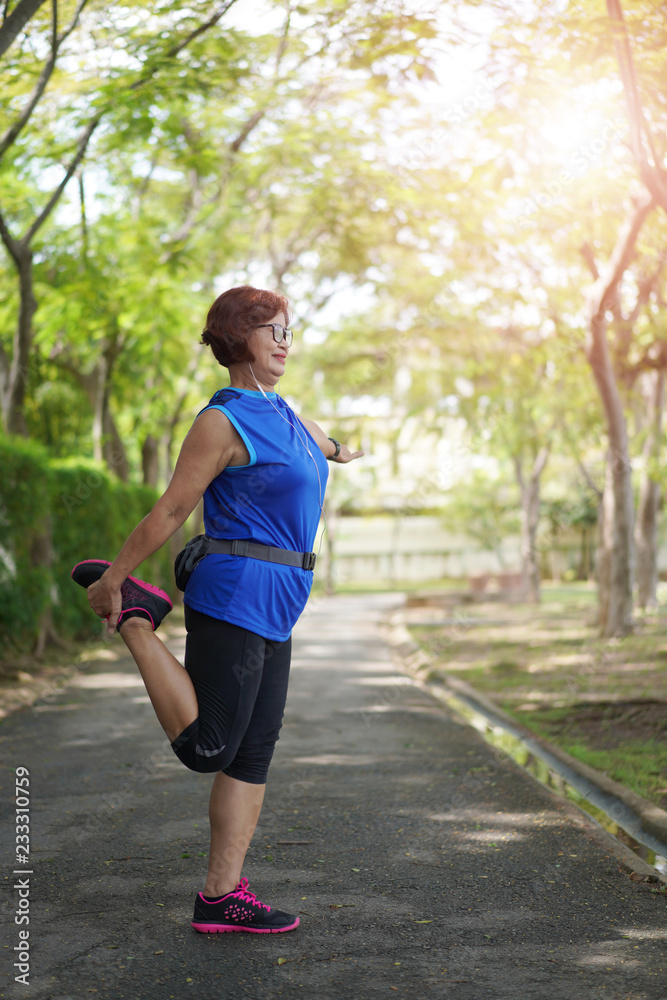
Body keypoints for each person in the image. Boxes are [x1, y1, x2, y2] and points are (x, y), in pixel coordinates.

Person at [71, 285, 363, 934]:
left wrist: (345, 449)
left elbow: (328, 445)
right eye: (270, 330)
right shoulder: (223, 420)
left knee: (251, 755)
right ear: (238, 338)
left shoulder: (286, 414)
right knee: (209, 747)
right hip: (233, 591)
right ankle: (138, 619)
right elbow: (173, 508)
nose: (284, 341)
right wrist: (117, 578)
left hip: (280, 599)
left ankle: (220, 896)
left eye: (289, 330)